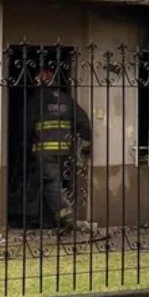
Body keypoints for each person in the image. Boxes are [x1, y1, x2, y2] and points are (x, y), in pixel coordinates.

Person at [28, 66, 91, 229]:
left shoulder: (37, 100)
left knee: (50, 184)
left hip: (44, 151)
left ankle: (65, 214)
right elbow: (83, 121)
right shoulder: (66, 100)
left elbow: (25, 126)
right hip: (64, 151)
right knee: (53, 184)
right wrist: (85, 145)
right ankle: (47, 221)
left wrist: (25, 145)